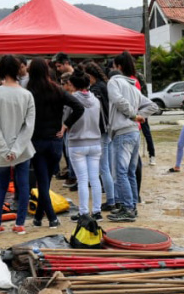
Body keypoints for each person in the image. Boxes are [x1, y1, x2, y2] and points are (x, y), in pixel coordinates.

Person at [27, 58, 83, 228]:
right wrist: (65, 125)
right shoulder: (57, 90)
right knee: (46, 181)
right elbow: (79, 107)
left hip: (36, 141)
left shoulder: (28, 92)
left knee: (42, 181)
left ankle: (51, 218)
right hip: (55, 141)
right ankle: (38, 217)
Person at [0, 54, 35, 235]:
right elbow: (29, 126)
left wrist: (4, 149)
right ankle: (20, 223)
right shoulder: (26, 95)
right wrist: (16, 149)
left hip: (1, 149)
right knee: (23, 186)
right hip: (22, 150)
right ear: (17, 70)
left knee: (2, 186)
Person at [106, 52, 156, 222]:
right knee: (129, 172)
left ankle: (128, 208)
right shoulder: (133, 87)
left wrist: (134, 115)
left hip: (123, 131)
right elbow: (152, 105)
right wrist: (139, 116)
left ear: (117, 67)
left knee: (121, 172)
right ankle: (131, 205)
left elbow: (117, 100)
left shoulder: (114, 82)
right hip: (134, 132)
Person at [65, 69, 103, 220]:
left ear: (73, 84)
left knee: (82, 179)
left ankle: (83, 212)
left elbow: (66, 120)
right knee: (94, 178)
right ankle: (97, 211)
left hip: (77, 142)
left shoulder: (71, 100)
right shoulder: (96, 100)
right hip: (95, 142)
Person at [84, 62, 115, 211]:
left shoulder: (96, 89)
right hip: (108, 129)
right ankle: (112, 198)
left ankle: (111, 200)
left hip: (101, 131)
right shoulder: (105, 85)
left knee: (104, 168)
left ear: (90, 76)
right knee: (107, 167)